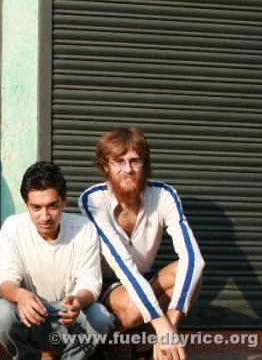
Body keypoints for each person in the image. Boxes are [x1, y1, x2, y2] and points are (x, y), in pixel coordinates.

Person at [79, 127, 205, 360]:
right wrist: (160, 323)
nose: (127, 169)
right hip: (110, 284)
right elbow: (122, 264)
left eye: (134, 161)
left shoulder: (164, 194)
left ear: (144, 164)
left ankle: (148, 343)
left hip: (144, 277)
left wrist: (170, 326)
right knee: (135, 308)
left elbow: (194, 259)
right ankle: (118, 343)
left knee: (190, 273)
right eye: (119, 161)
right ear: (105, 165)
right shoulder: (93, 199)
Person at [0, 162, 115, 360]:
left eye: (52, 206)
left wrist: (78, 301)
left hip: (69, 317)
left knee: (100, 318)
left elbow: (91, 281)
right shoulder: (13, 227)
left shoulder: (84, 228)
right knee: (0, 314)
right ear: (26, 204)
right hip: (30, 316)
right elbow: (5, 279)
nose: (44, 216)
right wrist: (21, 295)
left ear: (64, 202)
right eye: (36, 207)